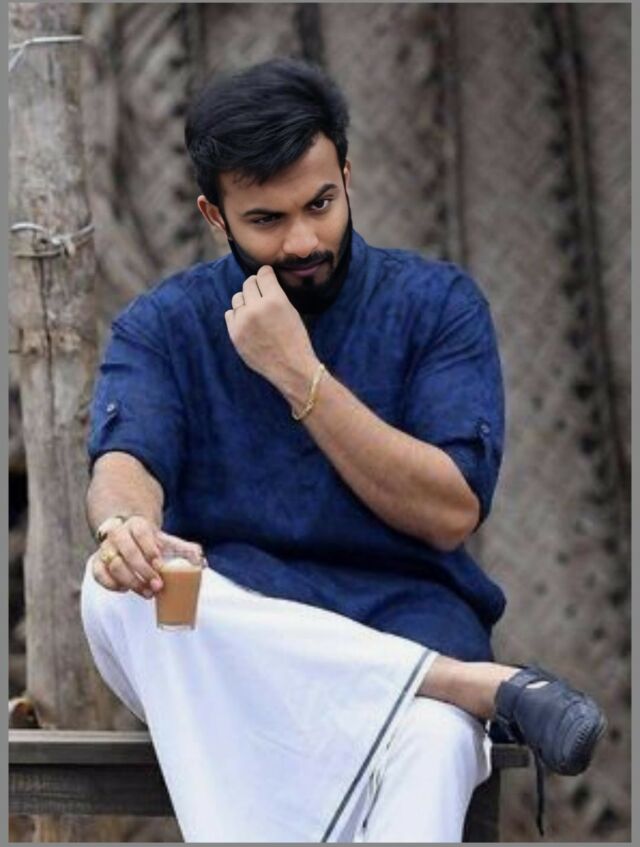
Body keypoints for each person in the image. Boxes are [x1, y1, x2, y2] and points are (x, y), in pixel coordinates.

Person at [80, 58, 605, 842]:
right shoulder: (164, 324)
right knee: (114, 588)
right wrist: (126, 526)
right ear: (214, 214)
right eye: (267, 219)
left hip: (405, 622)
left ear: (348, 176)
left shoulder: (437, 306)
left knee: (433, 741)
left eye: (321, 204)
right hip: (240, 653)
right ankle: (474, 685)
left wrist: (300, 375)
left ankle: (435, 686)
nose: (303, 239)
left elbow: (449, 511)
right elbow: (127, 462)